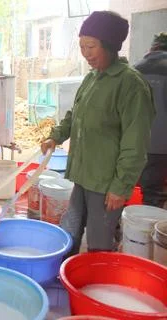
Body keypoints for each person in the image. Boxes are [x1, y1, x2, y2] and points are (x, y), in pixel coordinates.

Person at [41, 11, 155, 256]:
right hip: (83, 174)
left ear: (111, 45)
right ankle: (67, 275)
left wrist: (121, 186)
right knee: (70, 231)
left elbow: (135, 143)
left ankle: (95, 285)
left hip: (106, 183)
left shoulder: (130, 84)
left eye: (91, 46)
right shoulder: (92, 78)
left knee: (99, 241)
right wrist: (56, 136)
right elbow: (75, 115)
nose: (85, 53)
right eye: (82, 46)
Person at [134, 32, 167, 209]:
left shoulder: (134, 69)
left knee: (122, 188)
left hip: (132, 143)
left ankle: (114, 230)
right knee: (153, 193)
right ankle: (146, 233)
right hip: (160, 147)